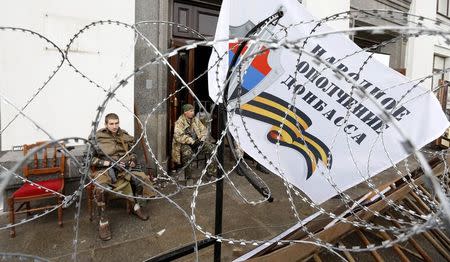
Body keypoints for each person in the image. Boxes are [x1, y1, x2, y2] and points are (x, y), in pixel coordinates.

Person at [90, 113, 157, 241]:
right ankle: (103, 222)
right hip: (106, 170)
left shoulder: (124, 135)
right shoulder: (97, 137)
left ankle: (135, 206)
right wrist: (109, 163)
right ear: (106, 124)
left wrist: (132, 160)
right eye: (111, 124)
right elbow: (89, 159)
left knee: (141, 180)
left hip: (125, 169)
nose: (114, 126)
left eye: (116, 123)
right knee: (100, 189)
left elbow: (132, 154)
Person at [171, 104, 217, 181]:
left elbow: (204, 130)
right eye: (191, 111)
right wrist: (191, 141)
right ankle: (189, 178)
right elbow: (178, 136)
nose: (193, 112)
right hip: (185, 144)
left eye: (193, 111)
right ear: (185, 112)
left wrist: (201, 139)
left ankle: (210, 173)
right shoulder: (179, 122)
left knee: (214, 149)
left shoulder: (195, 119)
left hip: (197, 142)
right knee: (187, 154)